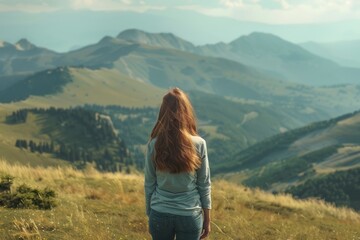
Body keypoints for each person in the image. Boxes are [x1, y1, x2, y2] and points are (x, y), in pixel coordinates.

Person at [144, 88, 211, 240]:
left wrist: (151, 213)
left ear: (163, 111)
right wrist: (207, 219)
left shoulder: (153, 144)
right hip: (190, 214)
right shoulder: (199, 144)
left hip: (159, 213)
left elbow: (149, 183)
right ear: (186, 111)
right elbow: (204, 184)